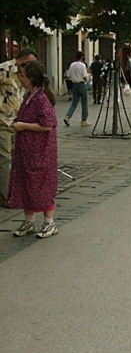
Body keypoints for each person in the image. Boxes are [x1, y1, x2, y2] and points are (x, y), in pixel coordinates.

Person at [7, 60, 59, 238]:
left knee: (42, 184)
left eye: (23, 76)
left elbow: (47, 125)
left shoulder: (42, 99)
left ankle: (49, 222)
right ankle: (28, 221)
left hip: (41, 151)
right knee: (26, 183)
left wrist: (23, 125)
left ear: (32, 78)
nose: (20, 79)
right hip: (27, 150)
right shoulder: (28, 96)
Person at [0, 48, 37, 207]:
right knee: (5, 158)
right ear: (20, 60)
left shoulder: (27, 74)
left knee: (18, 158)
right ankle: (4, 196)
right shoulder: (4, 69)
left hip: (20, 121)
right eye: (29, 62)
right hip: (3, 120)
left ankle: (17, 193)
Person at [63, 51, 91, 127]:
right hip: (81, 84)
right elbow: (85, 77)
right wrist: (86, 80)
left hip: (74, 85)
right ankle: (84, 120)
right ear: (82, 57)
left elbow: (68, 75)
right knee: (84, 103)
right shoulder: (82, 65)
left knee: (74, 103)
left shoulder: (72, 65)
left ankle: (67, 116)